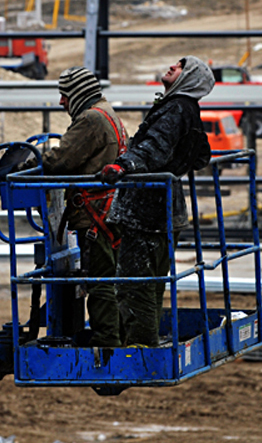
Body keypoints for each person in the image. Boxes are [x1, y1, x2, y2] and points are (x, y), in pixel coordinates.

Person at [101, 56, 215, 346]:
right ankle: (145, 343)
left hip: (146, 212)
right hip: (166, 208)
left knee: (134, 287)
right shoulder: (188, 109)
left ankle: (139, 352)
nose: (171, 66)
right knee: (151, 285)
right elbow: (201, 154)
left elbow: (155, 146)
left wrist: (124, 166)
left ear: (189, 78)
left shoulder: (176, 109)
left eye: (180, 66)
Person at [39, 66, 128, 348]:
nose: (62, 102)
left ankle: (107, 343)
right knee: (113, 279)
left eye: (64, 95)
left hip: (96, 217)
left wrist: (27, 164)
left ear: (77, 93)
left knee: (99, 281)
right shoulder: (107, 112)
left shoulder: (90, 119)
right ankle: (118, 335)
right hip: (110, 213)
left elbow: (59, 160)